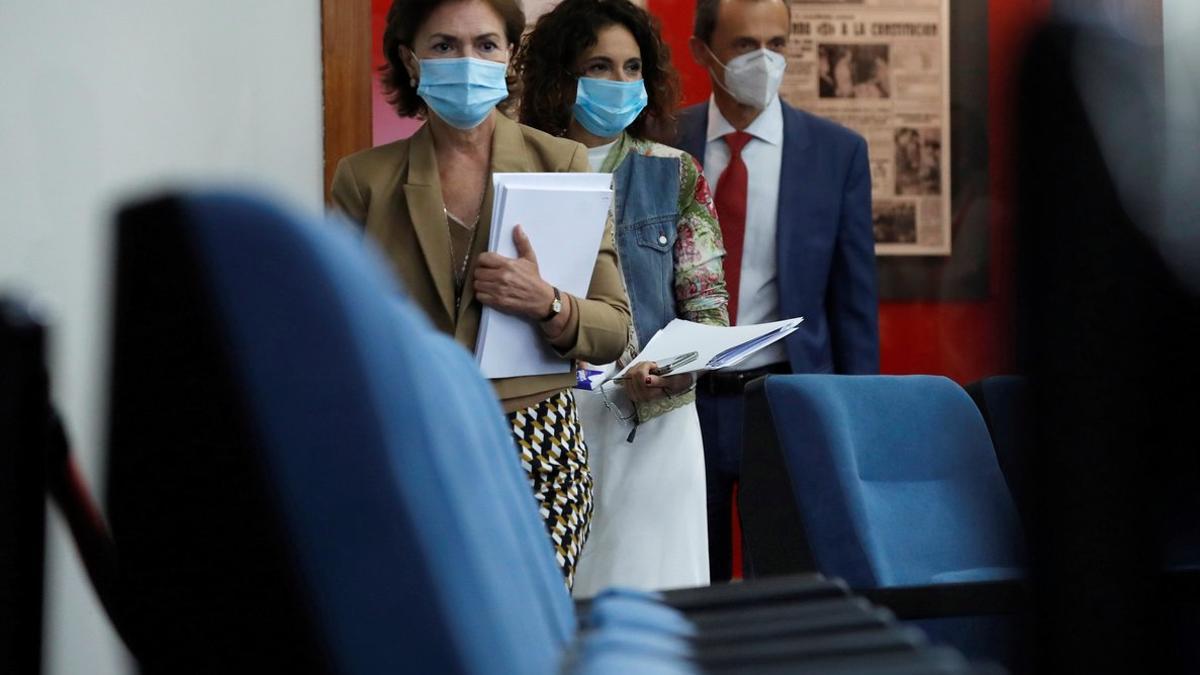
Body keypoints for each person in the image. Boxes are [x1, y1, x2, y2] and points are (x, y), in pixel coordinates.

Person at [330, 0, 632, 588]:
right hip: (414, 442)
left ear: (508, 55)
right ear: (409, 61)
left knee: (526, 632)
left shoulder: (561, 163)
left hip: (537, 443)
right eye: (444, 46)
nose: (467, 61)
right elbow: (334, 337)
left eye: (485, 45)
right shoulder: (364, 180)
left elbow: (612, 329)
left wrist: (547, 301)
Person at [516, 0, 729, 596]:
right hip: (549, 419)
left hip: (656, 423)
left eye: (632, 67)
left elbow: (707, 306)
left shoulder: (677, 172)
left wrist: (674, 371)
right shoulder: (517, 167)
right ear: (562, 75)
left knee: (655, 609)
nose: (620, 82)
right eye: (600, 66)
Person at [677, 0, 880, 581]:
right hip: (682, 401)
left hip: (786, 397)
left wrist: (860, 420)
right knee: (693, 580)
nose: (764, 60)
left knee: (789, 578)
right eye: (744, 45)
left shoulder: (837, 153)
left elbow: (853, 305)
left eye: (777, 43)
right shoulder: (663, 141)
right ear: (703, 51)